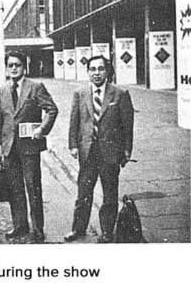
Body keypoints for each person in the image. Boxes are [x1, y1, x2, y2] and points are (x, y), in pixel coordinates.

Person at [64, 55, 134, 243]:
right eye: (93, 69)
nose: (96, 73)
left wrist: (127, 151)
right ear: (88, 72)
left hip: (110, 153)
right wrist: (73, 144)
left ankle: (107, 232)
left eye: (100, 69)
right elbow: (74, 121)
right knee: (83, 194)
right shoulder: (80, 93)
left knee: (110, 195)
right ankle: (78, 229)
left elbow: (127, 125)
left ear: (107, 71)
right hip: (87, 152)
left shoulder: (120, 94)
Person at [0, 51, 58, 243]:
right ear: (6, 68)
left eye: (18, 65)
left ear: (24, 67)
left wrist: (42, 128)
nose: (14, 68)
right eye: (11, 65)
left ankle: (38, 229)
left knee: (33, 187)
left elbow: (52, 110)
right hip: (9, 148)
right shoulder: (2, 90)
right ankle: (19, 225)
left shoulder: (36, 87)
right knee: (15, 189)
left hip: (29, 147)